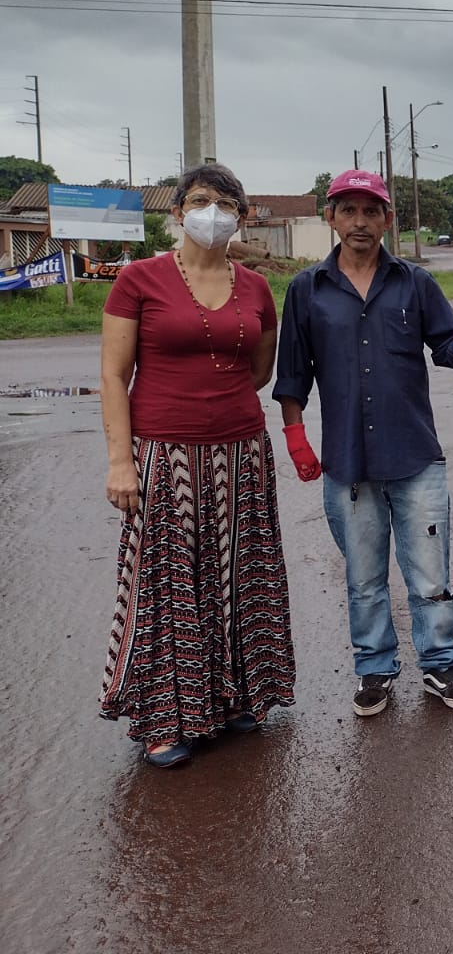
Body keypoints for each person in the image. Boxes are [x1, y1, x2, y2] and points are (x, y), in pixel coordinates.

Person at [273, 169, 453, 717]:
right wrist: (296, 439)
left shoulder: (414, 283)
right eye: (348, 210)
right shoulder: (307, 290)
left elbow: (449, 349)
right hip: (347, 462)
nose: (360, 222)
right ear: (329, 217)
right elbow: (292, 376)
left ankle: (440, 664)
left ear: (388, 219)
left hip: (415, 455)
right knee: (363, 577)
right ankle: (374, 670)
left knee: (429, 571)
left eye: (371, 211)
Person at [98, 164, 296, 768]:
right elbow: (113, 374)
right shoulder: (139, 279)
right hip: (166, 453)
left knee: (242, 577)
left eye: (226, 202)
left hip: (241, 451)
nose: (213, 211)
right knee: (170, 584)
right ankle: (167, 718)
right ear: (179, 211)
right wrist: (120, 462)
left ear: (242, 215)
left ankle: (238, 698)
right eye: (201, 200)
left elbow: (259, 370)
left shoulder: (256, 287)